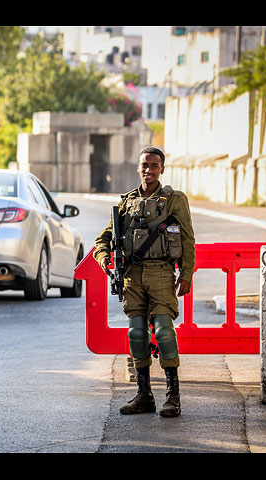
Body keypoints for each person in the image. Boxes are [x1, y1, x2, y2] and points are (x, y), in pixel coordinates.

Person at [93, 147, 195, 418]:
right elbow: (101, 240)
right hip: (131, 277)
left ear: (162, 168)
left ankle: (173, 396)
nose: (148, 169)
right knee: (136, 333)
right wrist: (105, 259)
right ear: (138, 168)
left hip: (161, 273)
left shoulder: (174, 199)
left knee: (163, 331)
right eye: (144, 165)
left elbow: (187, 239)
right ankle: (144, 394)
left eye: (153, 165)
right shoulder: (126, 202)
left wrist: (186, 274)